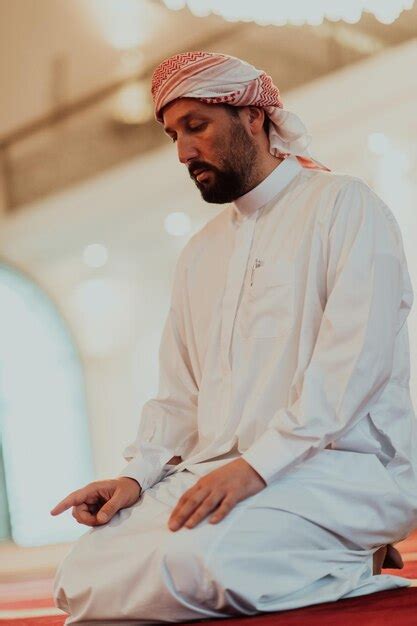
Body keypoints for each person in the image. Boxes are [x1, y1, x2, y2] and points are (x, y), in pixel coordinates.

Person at [51, 51, 417, 625]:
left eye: (197, 126)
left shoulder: (345, 206)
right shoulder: (200, 253)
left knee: (195, 566)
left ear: (253, 117)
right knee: (82, 577)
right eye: (173, 135)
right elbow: (179, 396)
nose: (183, 151)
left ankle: (350, 556)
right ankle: (311, 556)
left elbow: (354, 364)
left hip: (339, 471)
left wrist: (258, 467)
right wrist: (135, 475)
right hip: (219, 472)